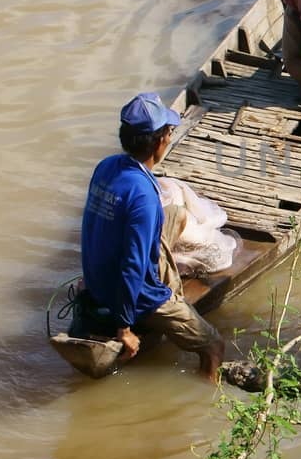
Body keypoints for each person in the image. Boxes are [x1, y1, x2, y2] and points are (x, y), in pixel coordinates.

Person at [80, 92, 224, 382]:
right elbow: (133, 267)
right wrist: (124, 328)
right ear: (160, 141)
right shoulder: (144, 197)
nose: (170, 138)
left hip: (96, 279)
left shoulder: (106, 166)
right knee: (214, 346)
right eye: (169, 132)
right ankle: (204, 399)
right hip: (136, 293)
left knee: (176, 213)